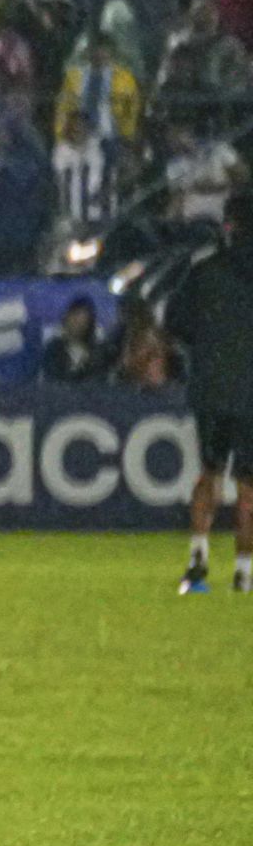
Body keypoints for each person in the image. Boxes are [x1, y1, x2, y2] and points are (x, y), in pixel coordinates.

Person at [164, 224, 253, 593]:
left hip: (213, 387)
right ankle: (244, 576)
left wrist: (207, 348)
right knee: (248, 487)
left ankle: (197, 564)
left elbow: (175, 321)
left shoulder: (205, 269)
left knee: (209, 473)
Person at [40, 298, 112, 385]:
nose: (77, 323)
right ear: (65, 319)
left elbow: (98, 382)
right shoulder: (53, 349)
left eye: (83, 319)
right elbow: (52, 379)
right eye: (74, 317)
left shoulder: (99, 353)